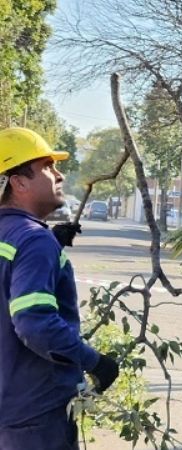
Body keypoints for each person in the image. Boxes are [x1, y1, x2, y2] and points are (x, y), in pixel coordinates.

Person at [0, 127, 119, 450]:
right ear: (18, 181)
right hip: (35, 416)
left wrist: (50, 241)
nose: (60, 175)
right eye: (47, 167)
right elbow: (33, 321)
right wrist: (94, 362)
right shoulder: (32, 240)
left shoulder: (15, 236)